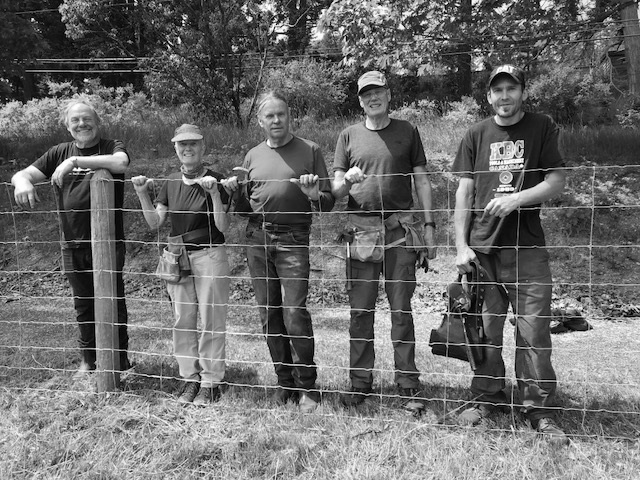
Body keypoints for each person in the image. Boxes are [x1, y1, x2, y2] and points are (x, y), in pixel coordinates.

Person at [452, 64, 568, 445]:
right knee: (484, 331)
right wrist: (460, 245)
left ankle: (539, 410)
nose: (504, 95)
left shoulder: (542, 127)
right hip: (484, 250)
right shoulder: (475, 134)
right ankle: (488, 399)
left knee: (533, 332)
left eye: (511, 88)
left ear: (522, 92)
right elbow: (464, 193)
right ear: (489, 96)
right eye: (497, 90)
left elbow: (556, 181)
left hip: (528, 248)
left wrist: (516, 199)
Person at [331, 71, 437, 414]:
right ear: (359, 100)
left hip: (400, 232)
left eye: (377, 92)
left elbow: (421, 180)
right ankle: (360, 383)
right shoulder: (348, 136)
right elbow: (335, 191)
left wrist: (430, 225)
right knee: (360, 312)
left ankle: (407, 384)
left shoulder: (407, 131)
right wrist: (346, 180)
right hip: (361, 233)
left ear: (388, 95)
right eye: (365, 94)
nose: (372, 98)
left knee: (401, 311)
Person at [227, 91, 334, 414]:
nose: (276, 121)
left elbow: (328, 203)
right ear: (260, 122)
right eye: (269, 116)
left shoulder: (310, 150)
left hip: (293, 239)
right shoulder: (252, 155)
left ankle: (307, 387)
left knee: (294, 312)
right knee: (268, 314)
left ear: (290, 117)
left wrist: (315, 194)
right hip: (257, 239)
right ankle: (283, 381)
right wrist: (235, 193)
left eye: (281, 115)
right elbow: (245, 208)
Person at [11, 98, 131, 374]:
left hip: (108, 243)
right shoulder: (58, 152)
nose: (82, 124)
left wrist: (74, 162)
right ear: (67, 127)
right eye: (75, 120)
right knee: (83, 305)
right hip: (71, 243)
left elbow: (120, 163)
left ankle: (120, 361)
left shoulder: (112, 146)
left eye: (87, 118)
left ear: (98, 122)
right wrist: (21, 181)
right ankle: (89, 362)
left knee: (113, 302)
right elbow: (24, 173)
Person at [132, 124, 231, 406]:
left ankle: (211, 381)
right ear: (175, 148)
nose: (187, 149)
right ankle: (190, 378)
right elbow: (155, 223)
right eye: (181, 144)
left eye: (193, 144)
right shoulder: (171, 182)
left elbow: (223, 227)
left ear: (203, 147)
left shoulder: (218, 180)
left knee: (212, 319)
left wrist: (213, 194)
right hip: (178, 257)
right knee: (182, 319)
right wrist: (142, 193)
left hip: (210, 254)